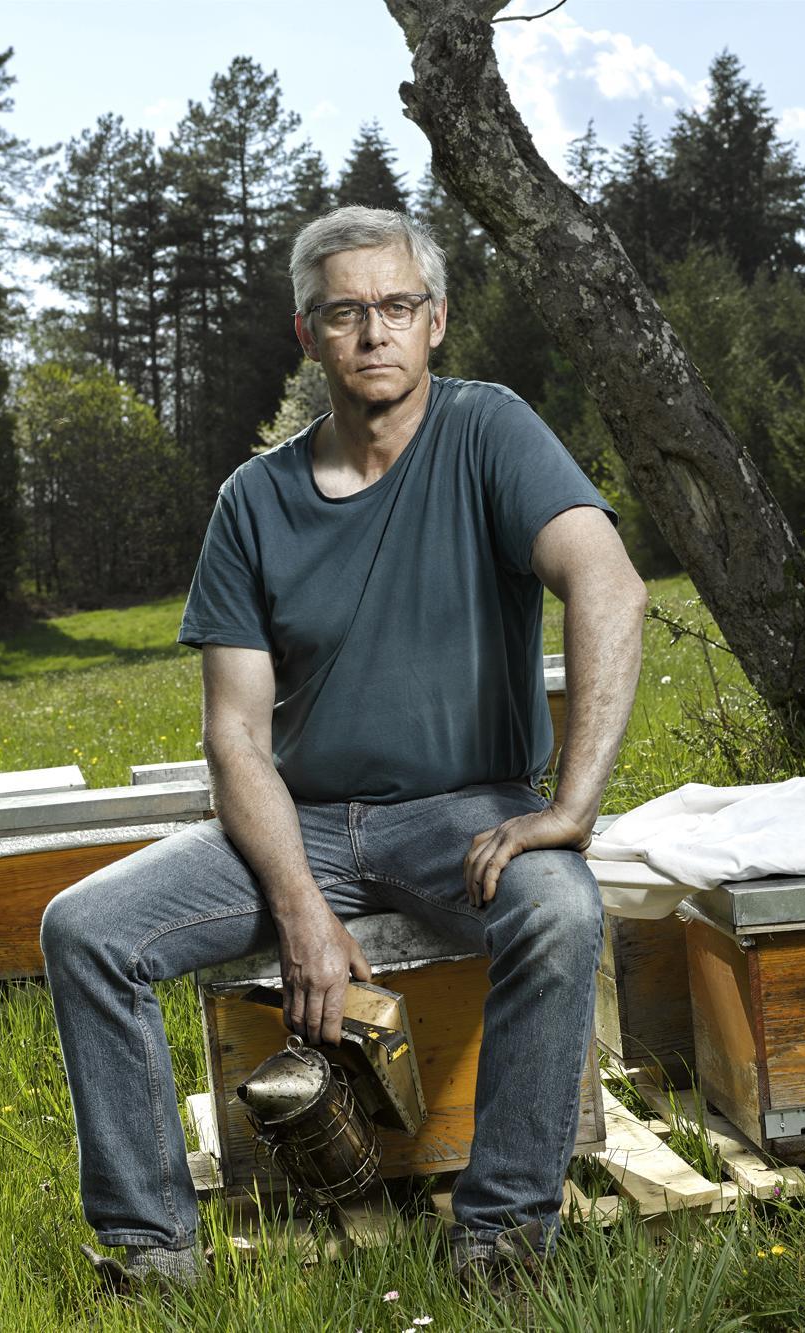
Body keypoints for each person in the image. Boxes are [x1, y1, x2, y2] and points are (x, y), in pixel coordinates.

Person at [39, 204, 647, 1292]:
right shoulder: (253, 502)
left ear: (438, 320)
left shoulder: (490, 432)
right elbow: (235, 732)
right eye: (347, 311)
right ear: (307, 333)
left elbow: (608, 580)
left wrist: (571, 806)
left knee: (560, 905)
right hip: (300, 823)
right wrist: (302, 908)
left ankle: (503, 1237)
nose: (376, 331)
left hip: (463, 809)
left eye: (398, 306)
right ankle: (151, 1253)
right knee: (85, 928)